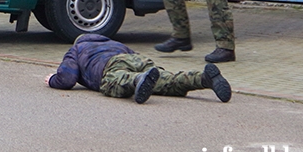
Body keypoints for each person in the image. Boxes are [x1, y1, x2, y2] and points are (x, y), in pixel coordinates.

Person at [44, 34, 232, 104]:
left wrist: (53, 79)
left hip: (110, 64)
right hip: (137, 58)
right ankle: (203, 78)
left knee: (115, 80)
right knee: (165, 80)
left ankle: (137, 81)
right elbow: (133, 58)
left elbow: (67, 78)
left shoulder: (78, 48)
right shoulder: (114, 42)